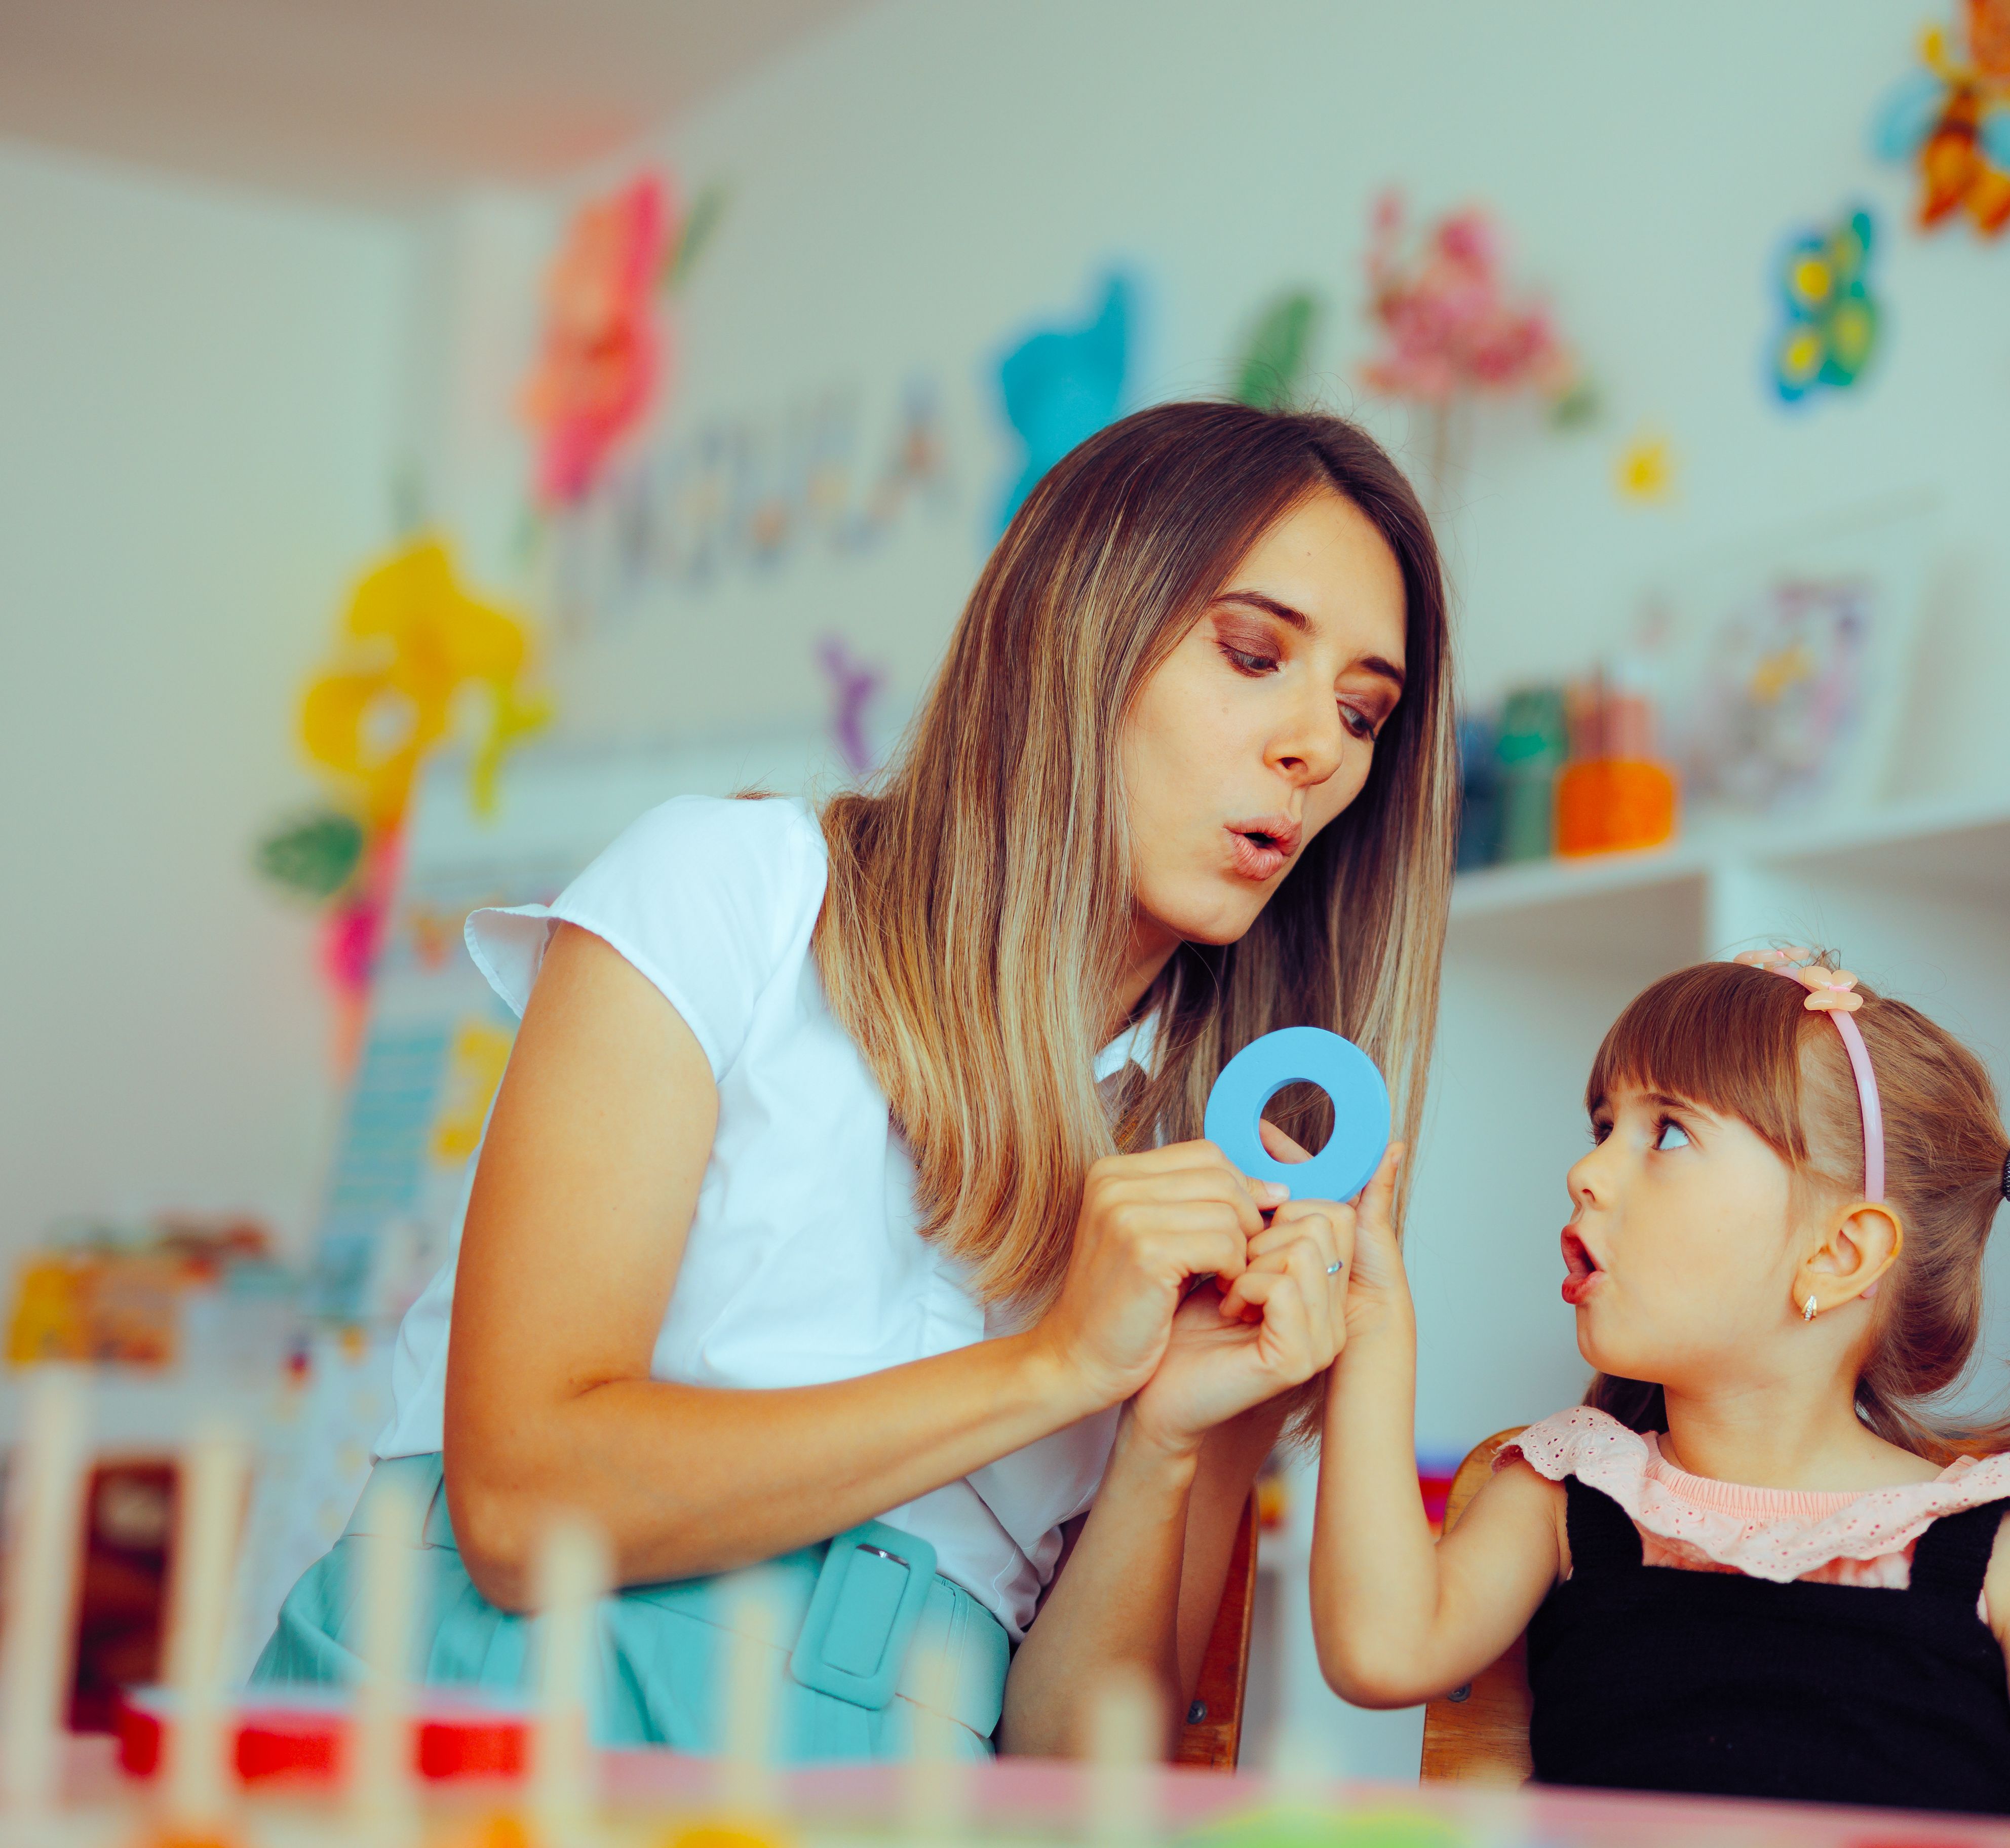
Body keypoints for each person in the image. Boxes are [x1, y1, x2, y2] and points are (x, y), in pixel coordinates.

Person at [255, 401, 1454, 1762]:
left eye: (1363, 713)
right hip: (471, 1726)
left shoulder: (1232, 1164)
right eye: (1252, 654)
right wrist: (1055, 1366)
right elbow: (526, 1507)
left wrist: (1164, 1440)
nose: (1318, 750)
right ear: (1078, 633)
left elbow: (1080, 1777)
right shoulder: (736, 892)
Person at [1311, 949, 2010, 1831]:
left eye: (1669, 1133)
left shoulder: (2008, 1548)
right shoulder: (1566, 1490)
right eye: (1602, 1127)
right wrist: (1373, 1329)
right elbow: (1380, 1653)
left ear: (1839, 1256)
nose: (1588, 1172)